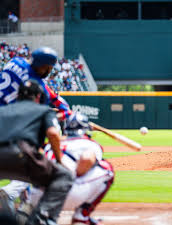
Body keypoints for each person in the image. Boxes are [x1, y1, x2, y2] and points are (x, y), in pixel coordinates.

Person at [5, 113, 114, 225]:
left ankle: (33, 212)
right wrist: (76, 174)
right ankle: (81, 216)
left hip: (38, 195)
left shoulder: (50, 145)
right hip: (67, 194)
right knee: (107, 170)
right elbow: (86, 159)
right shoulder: (90, 144)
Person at [0, 80, 74, 225]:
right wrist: (59, 160)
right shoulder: (43, 110)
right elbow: (53, 133)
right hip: (21, 153)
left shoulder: (3, 110)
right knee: (63, 176)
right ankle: (41, 218)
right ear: (39, 97)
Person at [0, 46, 72, 120]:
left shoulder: (15, 60)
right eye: (50, 68)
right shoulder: (38, 85)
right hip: (5, 119)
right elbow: (66, 111)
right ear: (44, 66)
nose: (50, 71)